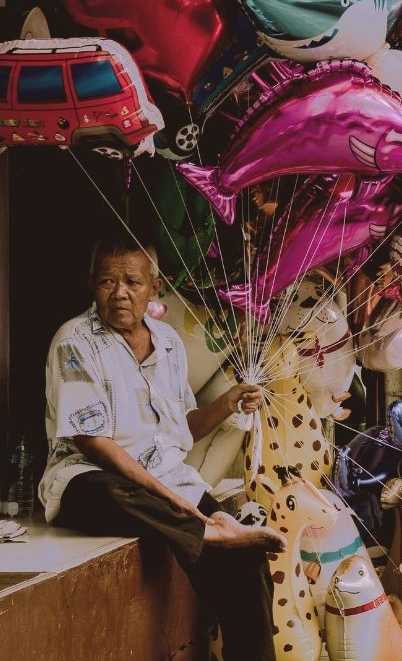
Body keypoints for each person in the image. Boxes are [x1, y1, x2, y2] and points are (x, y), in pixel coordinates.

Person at [37, 236, 285, 661]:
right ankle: (208, 532)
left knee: (247, 565)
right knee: (116, 489)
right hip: (88, 482)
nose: (119, 293)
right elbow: (93, 444)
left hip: (171, 487)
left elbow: (179, 429)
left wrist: (226, 405)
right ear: (91, 284)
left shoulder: (169, 343)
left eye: (132, 281)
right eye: (106, 282)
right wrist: (190, 513)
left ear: (155, 287)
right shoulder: (74, 341)